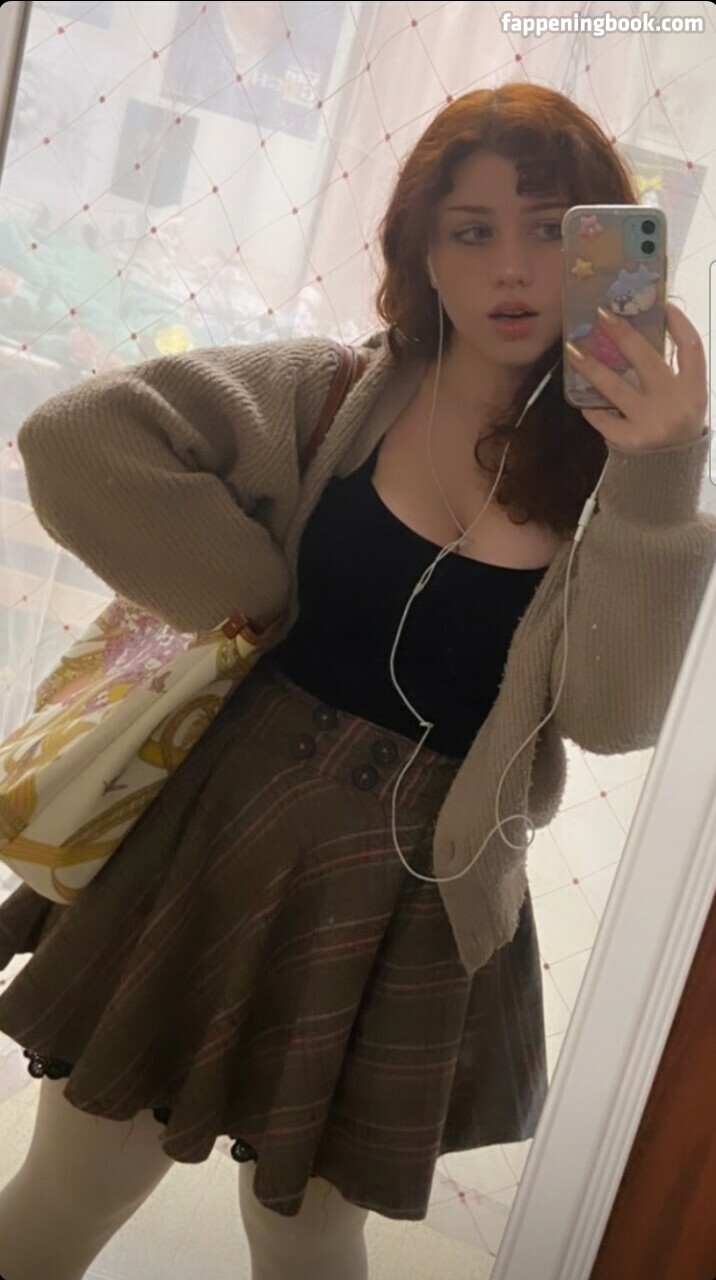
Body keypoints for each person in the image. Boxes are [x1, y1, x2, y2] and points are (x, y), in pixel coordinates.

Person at [0, 82, 713, 1280]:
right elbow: (73, 441)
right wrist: (249, 588)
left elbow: (608, 717)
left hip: (408, 899)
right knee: (75, 1187)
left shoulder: (614, 476)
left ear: (607, 251)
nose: (510, 266)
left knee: (307, 1233)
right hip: (212, 837)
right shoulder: (326, 391)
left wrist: (656, 473)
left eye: (551, 228)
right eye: (470, 229)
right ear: (421, 251)